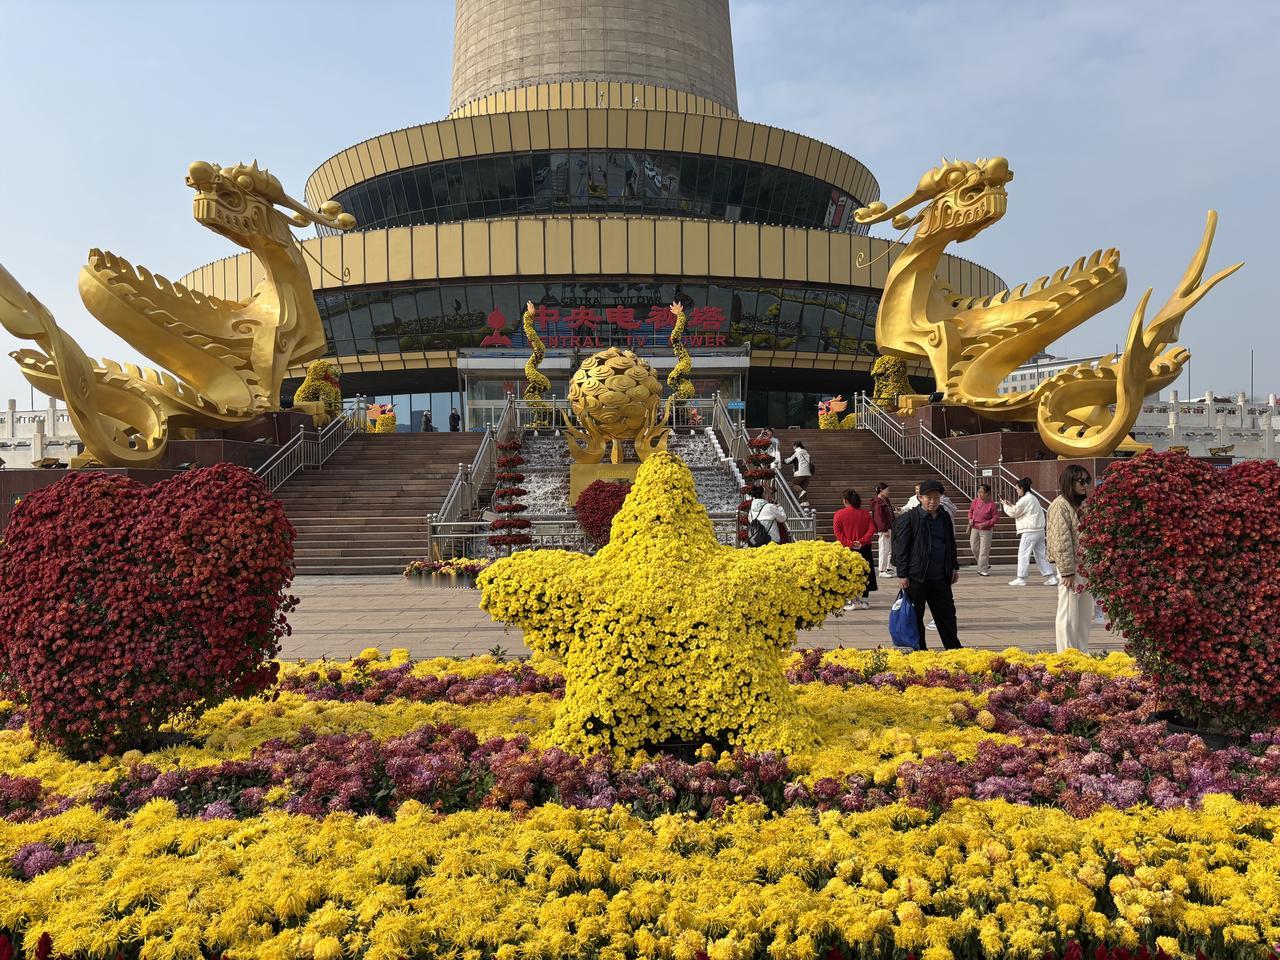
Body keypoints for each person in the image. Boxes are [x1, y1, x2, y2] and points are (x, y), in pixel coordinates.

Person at [891, 479, 962, 650]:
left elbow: (950, 542)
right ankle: (919, 650)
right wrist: (902, 574)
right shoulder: (910, 518)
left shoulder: (944, 516)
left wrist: (954, 566)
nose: (933, 501)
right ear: (920, 497)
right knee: (915, 616)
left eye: (936, 498)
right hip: (917, 577)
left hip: (940, 576)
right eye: (929, 498)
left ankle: (953, 649)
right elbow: (901, 548)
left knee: (947, 615)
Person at [1047, 464, 1094, 652]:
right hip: (1071, 568)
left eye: (1087, 481)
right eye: (1081, 481)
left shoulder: (1082, 505)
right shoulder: (1060, 505)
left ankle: (1081, 651)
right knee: (1068, 612)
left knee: (1084, 614)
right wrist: (1067, 571)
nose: (1085, 485)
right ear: (1070, 482)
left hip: (1086, 566)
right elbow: (1060, 540)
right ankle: (1066, 653)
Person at [1001, 477, 1056, 587]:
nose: (1017, 491)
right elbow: (1021, 510)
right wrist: (1011, 505)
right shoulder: (1032, 498)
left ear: (1022, 488)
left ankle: (1021, 578)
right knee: (1041, 555)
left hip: (1030, 531)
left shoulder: (1025, 499)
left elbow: (1013, 513)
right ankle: (1051, 577)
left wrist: (1005, 506)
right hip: (1039, 531)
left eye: (1017, 489)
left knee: (1023, 554)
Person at [833, 489, 878, 610]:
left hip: (847, 549)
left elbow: (838, 532)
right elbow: (872, 529)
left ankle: (850, 600)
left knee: (848, 573)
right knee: (865, 573)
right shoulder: (865, 514)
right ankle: (864, 600)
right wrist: (861, 541)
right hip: (864, 548)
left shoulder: (839, 514)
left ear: (845, 500)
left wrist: (849, 543)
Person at [967, 483, 999, 576]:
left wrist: (986, 524)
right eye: (978, 492)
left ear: (988, 493)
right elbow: (970, 511)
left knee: (984, 550)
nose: (980, 494)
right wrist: (970, 518)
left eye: (982, 492)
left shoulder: (992, 505)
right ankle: (984, 564)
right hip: (975, 527)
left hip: (986, 530)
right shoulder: (975, 501)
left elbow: (996, 518)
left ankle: (983, 569)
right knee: (974, 547)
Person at [871, 483, 895, 577]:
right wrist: (884, 530)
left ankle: (888, 568)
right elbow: (879, 518)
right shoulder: (878, 502)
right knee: (884, 549)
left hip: (889, 527)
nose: (888, 492)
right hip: (884, 529)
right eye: (887, 490)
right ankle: (882, 570)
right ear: (881, 490)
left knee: (889, 549)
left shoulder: (885, 500)